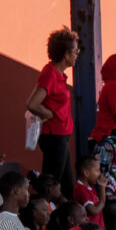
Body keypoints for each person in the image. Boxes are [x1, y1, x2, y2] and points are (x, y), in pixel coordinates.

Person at [26, 28, 79, 187]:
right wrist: (49, 114)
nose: (77, 54)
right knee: (52, 186)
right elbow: (32, 103)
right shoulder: (50, 73)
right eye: (75, 51)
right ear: (66, 55)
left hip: (61, 136)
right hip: (54, 136)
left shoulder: (58, 74)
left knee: (66, 186)